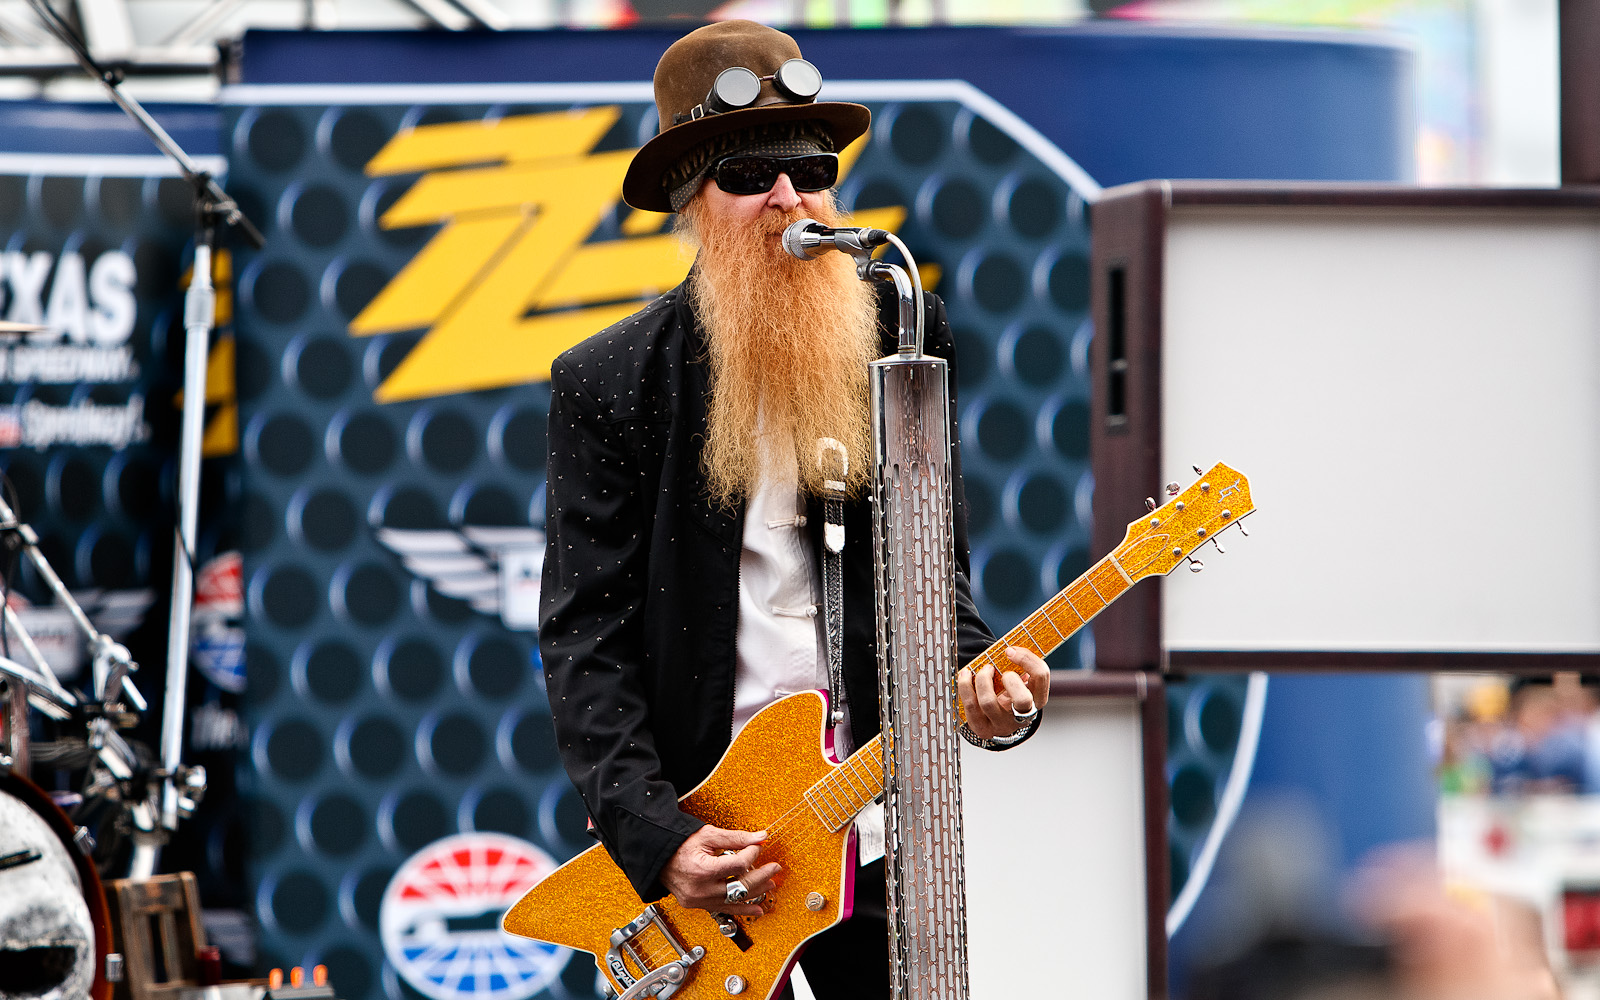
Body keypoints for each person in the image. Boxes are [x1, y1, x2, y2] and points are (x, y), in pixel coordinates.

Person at [539, 20, 1050, 997]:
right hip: (711, 838)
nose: (790, 199)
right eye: (748, 175)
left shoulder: (902, 332)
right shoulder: (611, 381)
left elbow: (930, 568)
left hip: (880, 824)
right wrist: (660, 838)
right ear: (694, 203)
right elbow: (583, 636)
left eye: (811, 171)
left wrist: (983, 683)